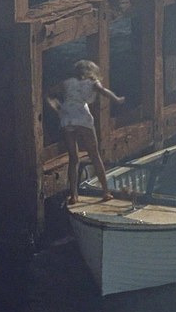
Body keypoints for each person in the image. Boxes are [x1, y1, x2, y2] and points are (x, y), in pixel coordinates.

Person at [47, 60, 125, 205]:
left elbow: (49, 94)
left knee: (73, 158)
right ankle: (106, 192)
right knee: (94, 155)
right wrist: (117, 99)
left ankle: (74, 195)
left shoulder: (67, 83)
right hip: (83, 117)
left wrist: (58, 108)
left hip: (67, 118)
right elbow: (104, 91)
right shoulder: (92, 83)